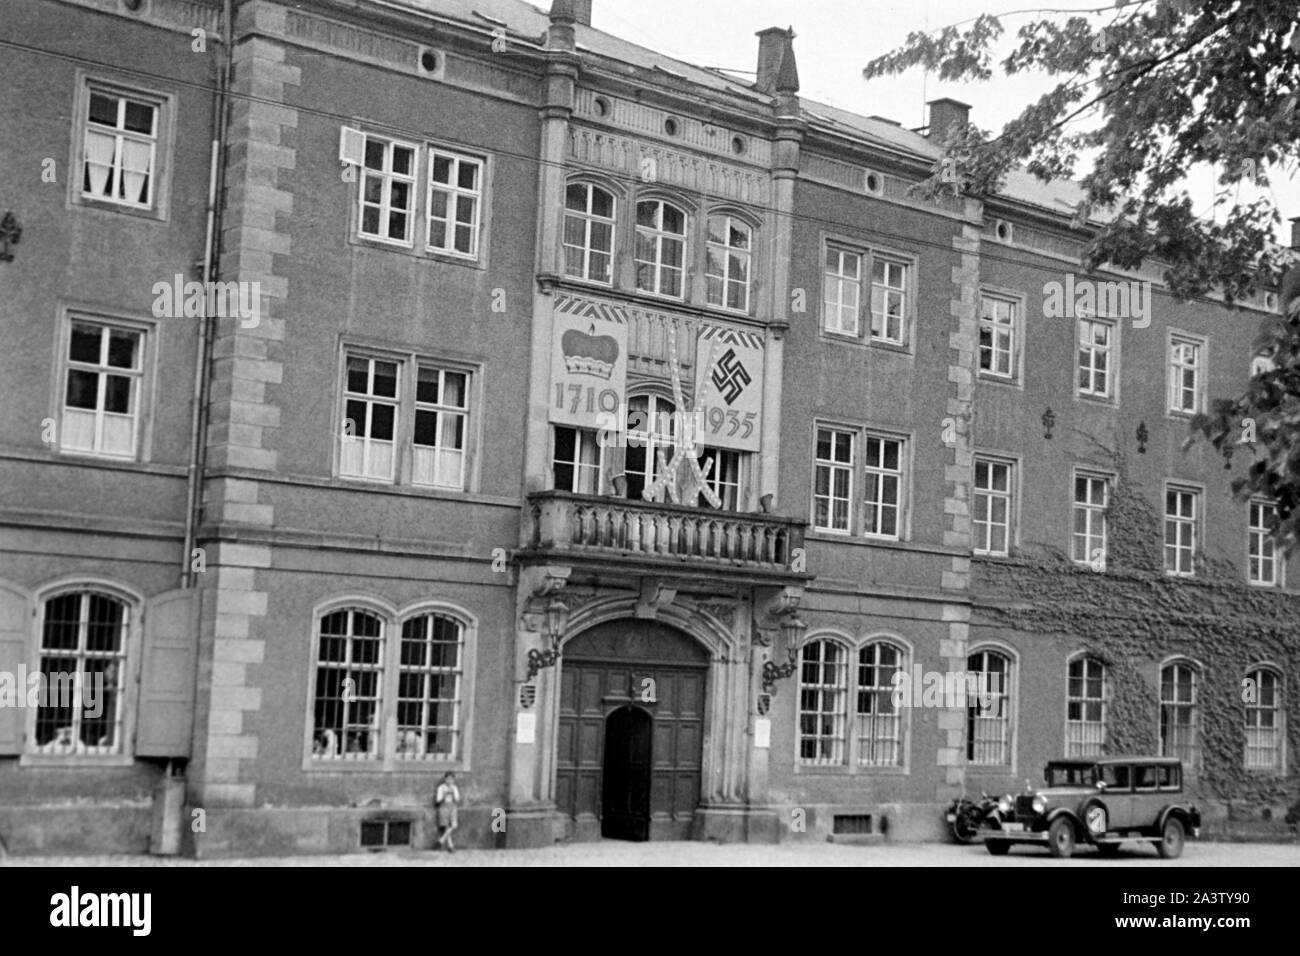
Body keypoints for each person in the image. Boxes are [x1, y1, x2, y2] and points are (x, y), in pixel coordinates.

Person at [434, 772, 460, 852]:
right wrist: (444, 795)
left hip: (452, 807)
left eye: (451, 779)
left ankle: (441, 840)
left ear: (453, 780)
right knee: (446, 826)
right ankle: (450, 846)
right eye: (448, 779)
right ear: (445, 779)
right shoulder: (441, 788)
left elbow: (457, 799)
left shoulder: (455, 788)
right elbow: (437, 800)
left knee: (454, 825)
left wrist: (453, 794)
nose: (450, 781)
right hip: (443, 807)